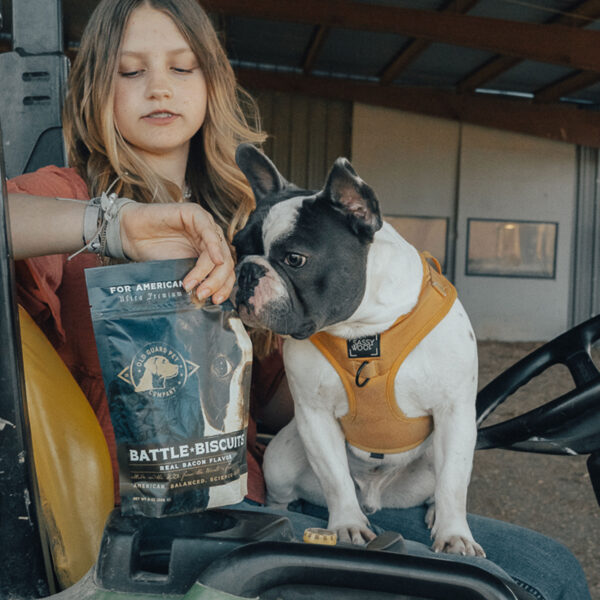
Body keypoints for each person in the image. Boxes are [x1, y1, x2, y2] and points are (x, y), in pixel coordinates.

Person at [6, 1, 590, 599]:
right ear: (95, 86)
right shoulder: (68, 195)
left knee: (552, 568)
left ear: (213, 82)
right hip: (149, 533)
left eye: (183, 68)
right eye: (130, 71)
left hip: (251, 506)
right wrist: (111, 223)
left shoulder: (249, 223)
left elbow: (277, 407)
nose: (159, 86)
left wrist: (365, 350)